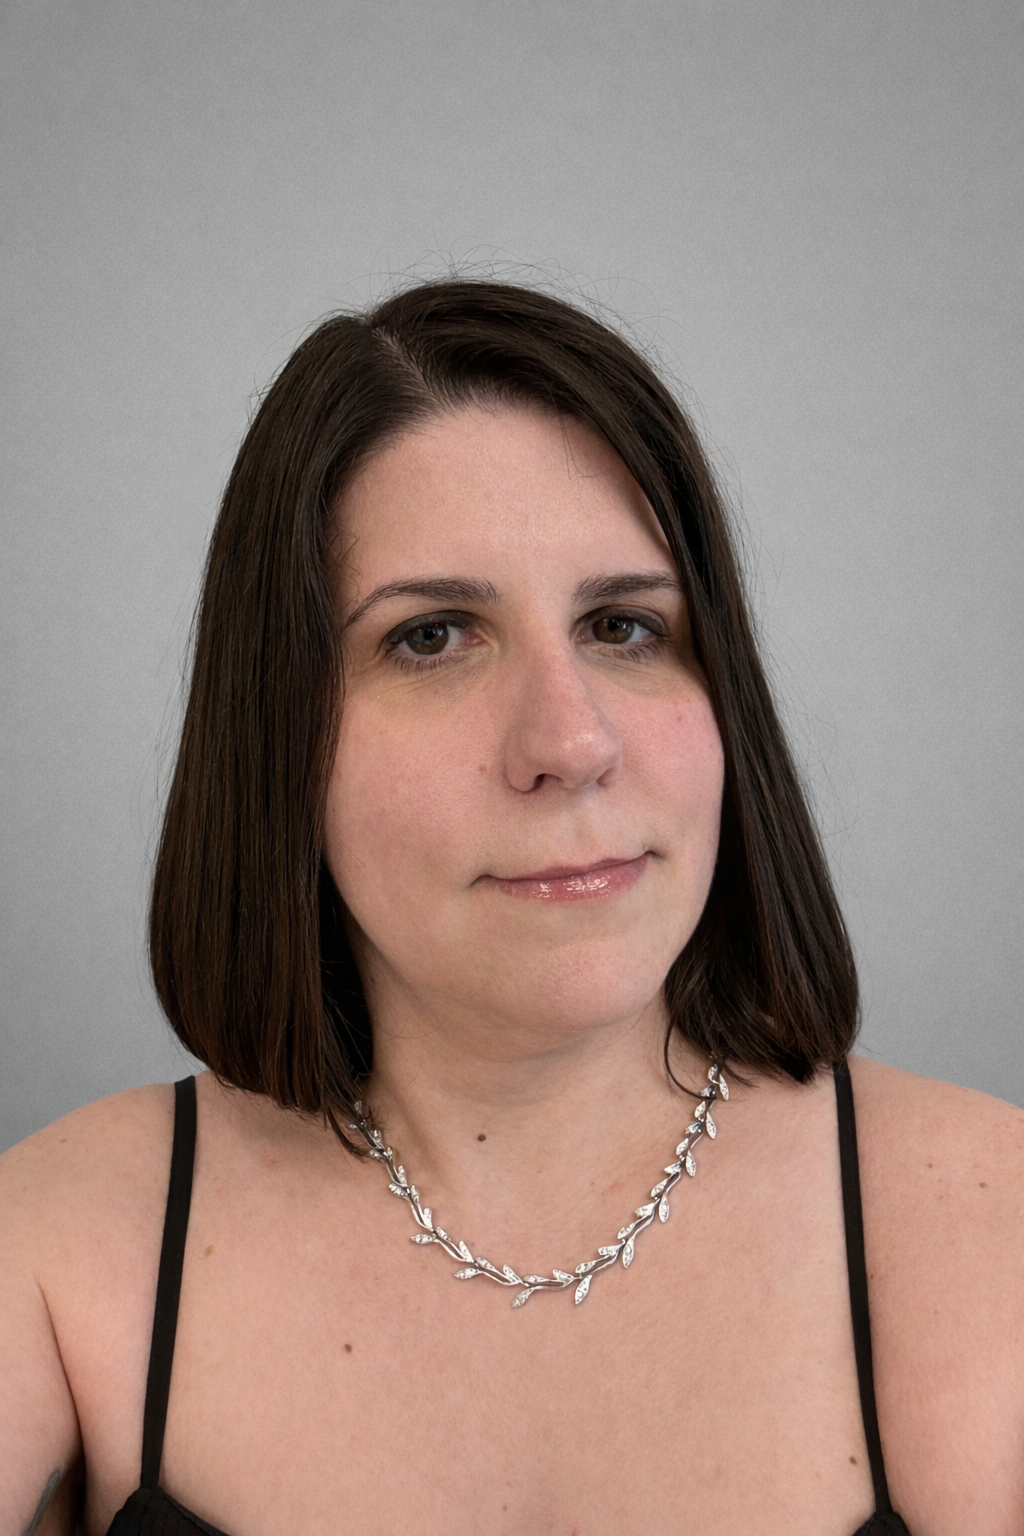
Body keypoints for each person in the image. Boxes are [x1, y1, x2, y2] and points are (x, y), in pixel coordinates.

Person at [1, 281, 1021, 1536]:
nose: (569, 742)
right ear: (279, 737)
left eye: (623, 626)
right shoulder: (55, 1253)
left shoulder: (996, 1229)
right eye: (433, 636)